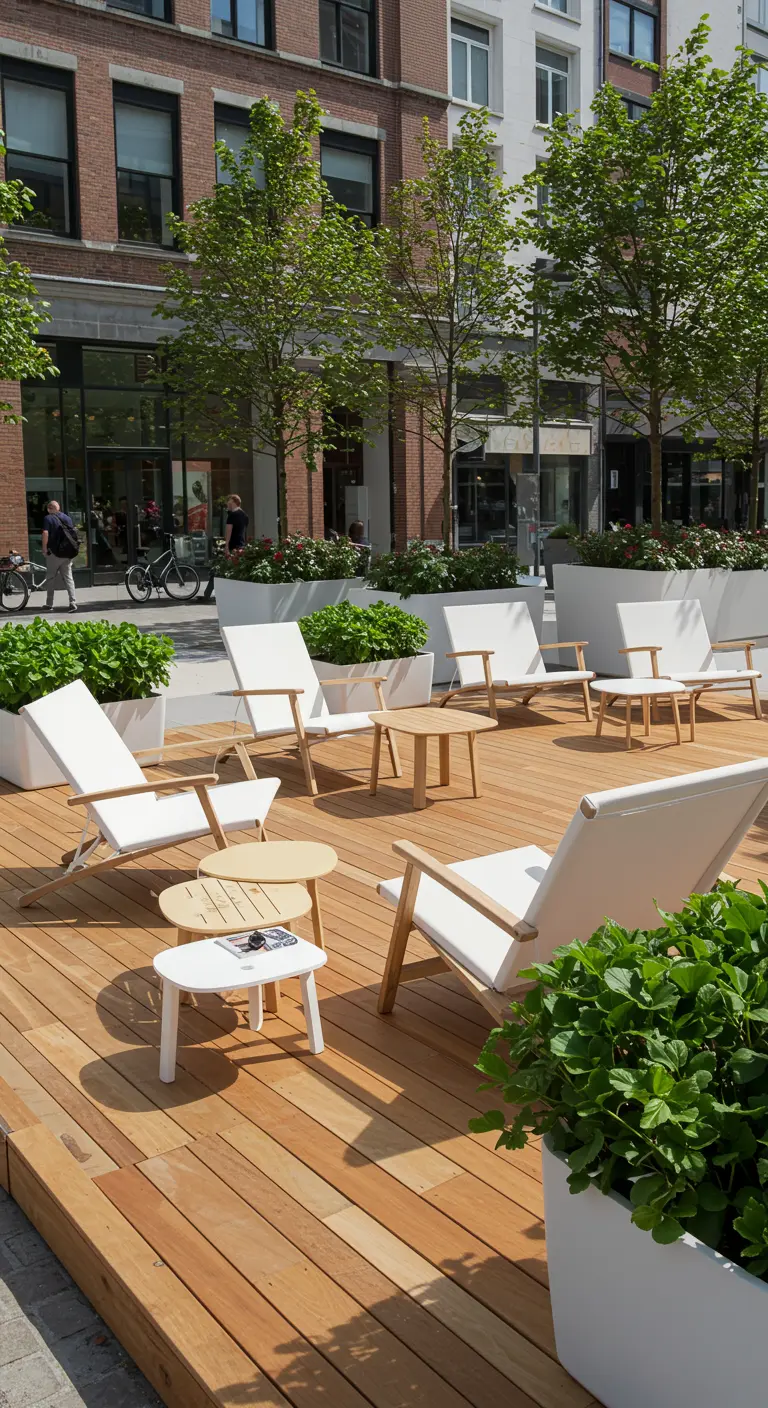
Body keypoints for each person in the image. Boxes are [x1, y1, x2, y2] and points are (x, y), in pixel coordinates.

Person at [204, 494, 249, 600]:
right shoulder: (244, 515)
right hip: (241, 546)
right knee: (236, 570)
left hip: (232, 546)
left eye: (229, 502)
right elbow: (244, 532)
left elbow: (228, 531)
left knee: (219, 568)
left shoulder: (232, 516)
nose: (227, 505)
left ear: (234, 502)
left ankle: (208, 593)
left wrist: (226, 546)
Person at [41, 500, 78, 612]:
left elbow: (45, 533)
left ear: (49, 508)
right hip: (67, 553)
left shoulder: (48, 518)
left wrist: (44, 548)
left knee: (51, 577)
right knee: (68, 578)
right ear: (59, 508)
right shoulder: (67, 518)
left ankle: (49, 604)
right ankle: (73, 602)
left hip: (54, 553)